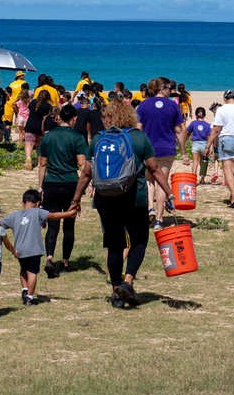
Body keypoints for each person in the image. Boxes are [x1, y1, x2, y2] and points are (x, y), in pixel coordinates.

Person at [69, 99, 173, 308]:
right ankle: (127, 282)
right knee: (139, 240)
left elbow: (86, 173)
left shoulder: (98, 139)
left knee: (115, 245)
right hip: (134, 199)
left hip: (106, 199)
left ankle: (116, 292)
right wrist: (169, 193)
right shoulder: (138, 137)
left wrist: (76, 199)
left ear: (109, 117)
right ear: (129, 116)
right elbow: (153, 168)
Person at [0, 189, 78, 306]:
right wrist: (69, 214)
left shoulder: (14, 216)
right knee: (32, 273)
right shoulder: (37, 212)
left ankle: (24, 290)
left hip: (19, 250)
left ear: (23, 202)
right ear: (37, 203)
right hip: (33, 250)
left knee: (23, 269)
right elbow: (54, 215)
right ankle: (30, 298)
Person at [37, 104, 87, 279]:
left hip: (51, 183)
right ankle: (65, 262)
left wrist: (40, 187)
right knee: (69, 225)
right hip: (71, 184)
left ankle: (50, 258)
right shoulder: (78, 137)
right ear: (74, 118)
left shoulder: (48, 137)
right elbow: (82, 164)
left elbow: (42, 164)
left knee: (52, 225)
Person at [136, 77, 189, 230]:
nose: (171, 91)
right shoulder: (172, 106)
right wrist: (184, 152)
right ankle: (159, 220)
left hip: (147, 149)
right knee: (162, 182)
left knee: (149, 180)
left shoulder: (143, 105)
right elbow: (179, 130)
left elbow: (138, 128)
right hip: (166, 149)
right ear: (162, 88)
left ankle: (149, 208)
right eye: (169, 88)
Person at [204, 89, 234, 209]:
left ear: (225, 99)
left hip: (226, 140)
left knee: (227, 170)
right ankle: (233, 196)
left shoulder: (221, 110)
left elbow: (216, 130)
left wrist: (208, 145)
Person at [23, 89, 52, 170]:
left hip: (30, 126)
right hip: (40, 128)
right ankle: (39, 164)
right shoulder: (48, 106)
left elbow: (29, 109)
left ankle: (28, 158)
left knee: (28, 143)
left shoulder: (32, 103)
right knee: (39, 146)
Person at [185, 107, 212, 183]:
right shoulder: (207, 125)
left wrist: (185, 140)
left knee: (195, 162)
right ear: (204, 115)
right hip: (204, 144)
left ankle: (194, 178)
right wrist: (209, 147)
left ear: (196, 114)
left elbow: (188, 132)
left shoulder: (193, 123)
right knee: (203, 163)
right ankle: (202, 179)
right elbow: (209, 137)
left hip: (196, 144)